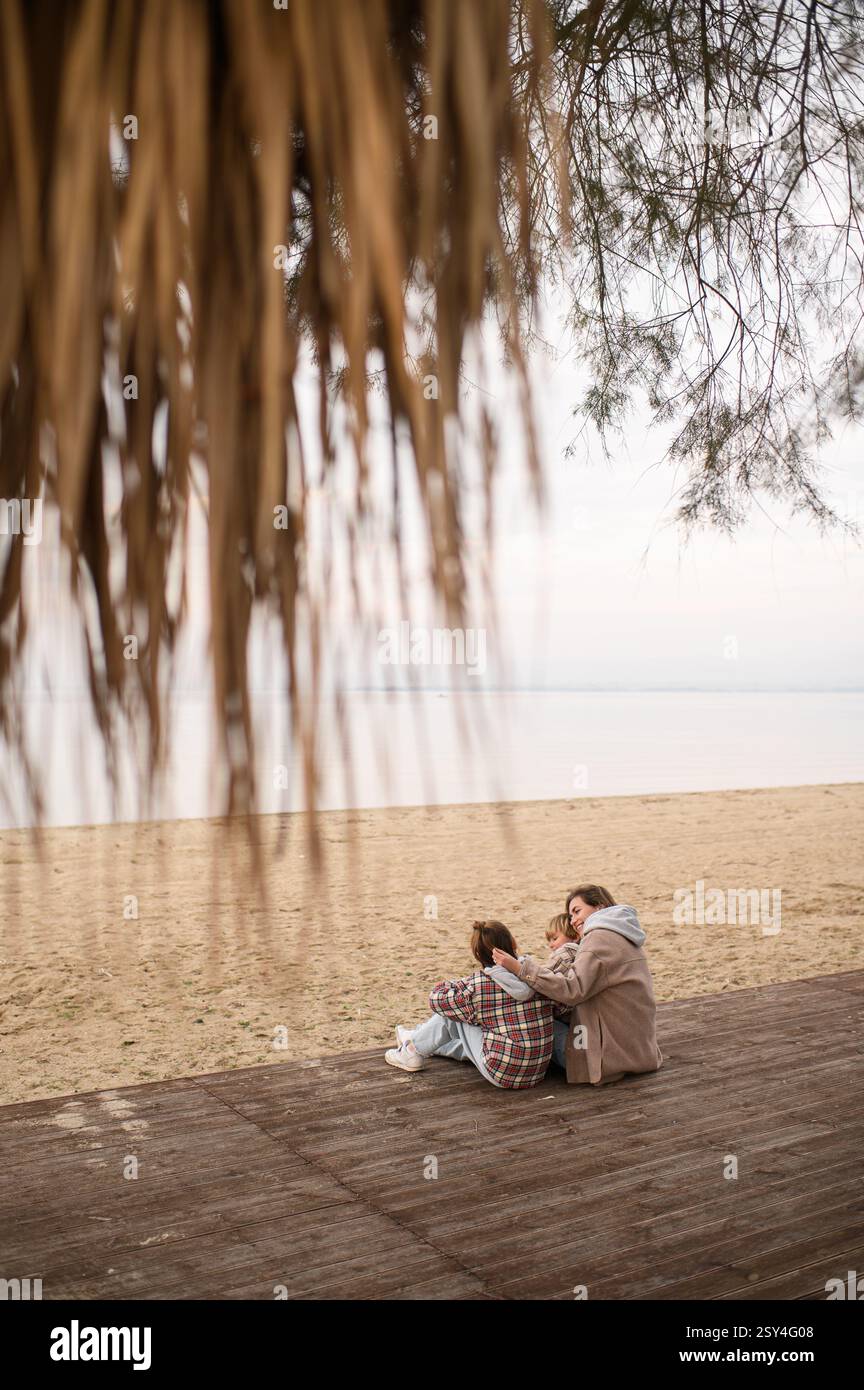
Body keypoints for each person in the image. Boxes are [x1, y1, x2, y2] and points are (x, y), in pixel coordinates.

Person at [492, 885, 663, 1086]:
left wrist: (520, 968)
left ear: (599, 908)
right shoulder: (626, 934)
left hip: (607, 1058)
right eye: (570, 915)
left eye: (577, 911)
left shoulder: (598, 939)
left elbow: (572, 989)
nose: (572, 921)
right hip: (640, 1051)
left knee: (527, 1023)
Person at [384, 920, 554, 1088]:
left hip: (503, 1073)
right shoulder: (534, 974)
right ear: (513, 943)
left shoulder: (479, 985)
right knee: (474, 1016)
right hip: (537, 1070)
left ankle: (411, 1050)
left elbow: (436, 1000)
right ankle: (415, 1037)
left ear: (477, 955)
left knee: (453, 1016)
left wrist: (463, 982)